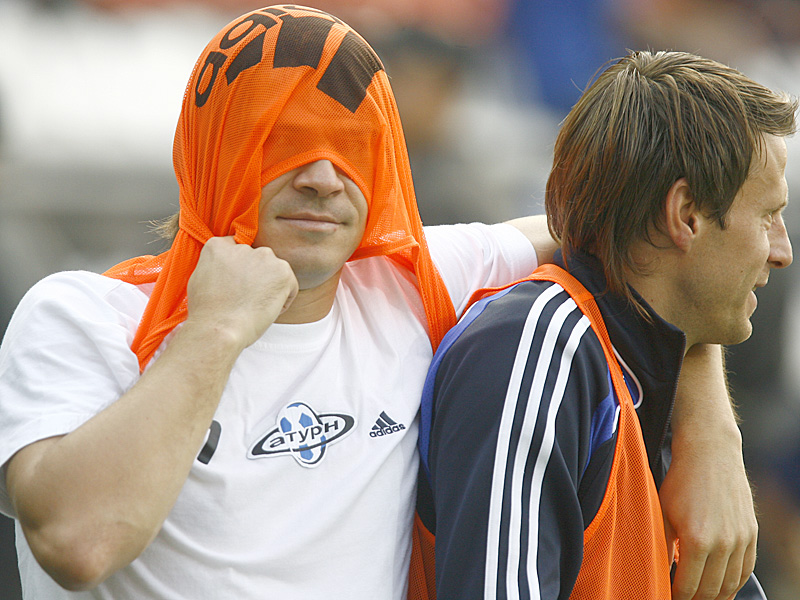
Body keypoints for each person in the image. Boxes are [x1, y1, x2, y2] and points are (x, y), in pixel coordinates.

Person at [0, 7, 759, 599]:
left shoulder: (402, 286)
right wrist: (215, 331)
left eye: (350, 148)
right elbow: (78, 542)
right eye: (284, 144)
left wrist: (707, 427)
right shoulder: (83, 317)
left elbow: (638, 247)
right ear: (215, 150)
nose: (323, 178)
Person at [420, 50, 796, 600]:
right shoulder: (537, 349)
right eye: (768, 216)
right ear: (686, 215)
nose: (782, 252)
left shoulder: (647, 363)